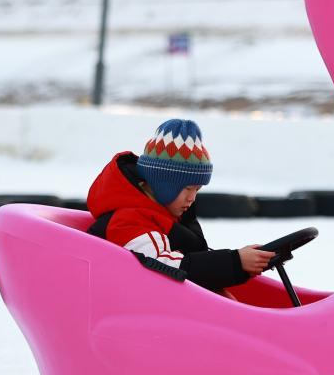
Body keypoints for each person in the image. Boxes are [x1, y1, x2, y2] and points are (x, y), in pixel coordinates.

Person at [86, 118, 273, 294]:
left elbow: (191, 257)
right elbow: (164, 269)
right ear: (163, 185)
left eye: (197, 190)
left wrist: (244, 261)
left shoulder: (168, 215)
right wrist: (235, 262)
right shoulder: (129, 221)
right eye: (187, 188)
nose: (192, 198)